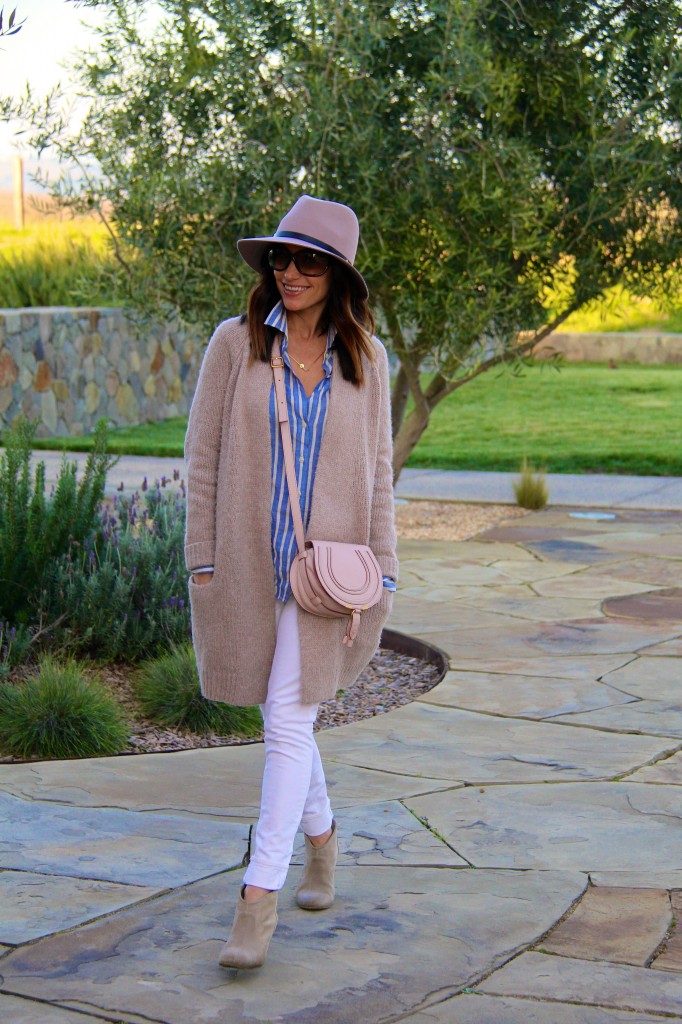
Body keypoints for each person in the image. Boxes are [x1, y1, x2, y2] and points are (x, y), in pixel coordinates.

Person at [184, 195, 398, 970]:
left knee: (284, 719)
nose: (290, 272)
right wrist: (200, 559)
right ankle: (325, 844)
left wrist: (387, 567)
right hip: (248, 567)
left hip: (326, 581)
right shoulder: (232, 345)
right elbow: (201, 461)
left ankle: (257, 896)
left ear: (336, 274)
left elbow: (377, 474)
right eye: (281, 258)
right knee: (288, 723)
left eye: (308, 261)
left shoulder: (366, 362)